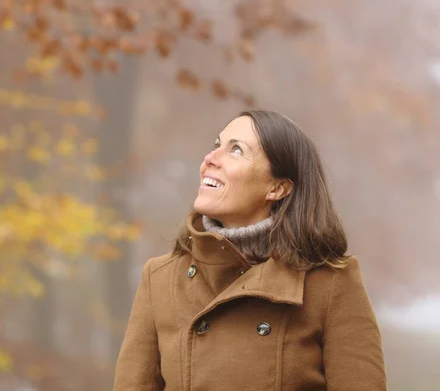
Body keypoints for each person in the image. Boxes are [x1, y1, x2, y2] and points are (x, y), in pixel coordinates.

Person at [113, 110, 386, 390]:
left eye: (236, 150)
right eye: (215, 145)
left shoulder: (329, 283)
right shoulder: (160, 279)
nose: (210, 159)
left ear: (277, 188)